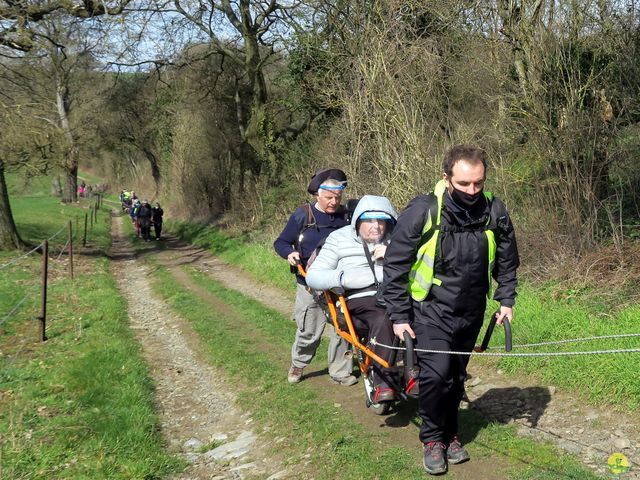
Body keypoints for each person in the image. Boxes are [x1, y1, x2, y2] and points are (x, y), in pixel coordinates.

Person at [382, 145, 519, 475]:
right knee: (437, 373)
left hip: (471, 308)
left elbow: (507, 259)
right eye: (465, 184)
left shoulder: (493, 210)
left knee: (456, 376)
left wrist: (506, 300)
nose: (473, 191)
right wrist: (400, 316)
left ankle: (451, 433)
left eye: (479, 183)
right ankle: (432, 439)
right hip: (429, 310)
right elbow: (395, 265)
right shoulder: (424, 211)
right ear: (447, 178)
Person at [305, 195, 398, 402]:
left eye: (381, 221)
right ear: (357, 221)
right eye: (369, 221)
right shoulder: (339, 239)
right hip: (358, 299)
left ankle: (418, 374)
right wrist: (343, 278)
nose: (376, 227)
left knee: (424, 315)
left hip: (395, 293)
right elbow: (313, 276)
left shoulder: (396, 239)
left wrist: (392, 254)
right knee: (384, 317)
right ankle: (384, 381)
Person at [274, 168, 356, 386]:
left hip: (339, 282)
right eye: (329, 197)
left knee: (343, 328)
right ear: (317, 195)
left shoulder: (346, 216)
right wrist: (289, 253)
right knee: (309, 330)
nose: (333, 202)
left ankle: (340, 372)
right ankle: (298, 363)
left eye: (337, 198)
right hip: (309, 284)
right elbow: (281, 242)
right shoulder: (303, 215)